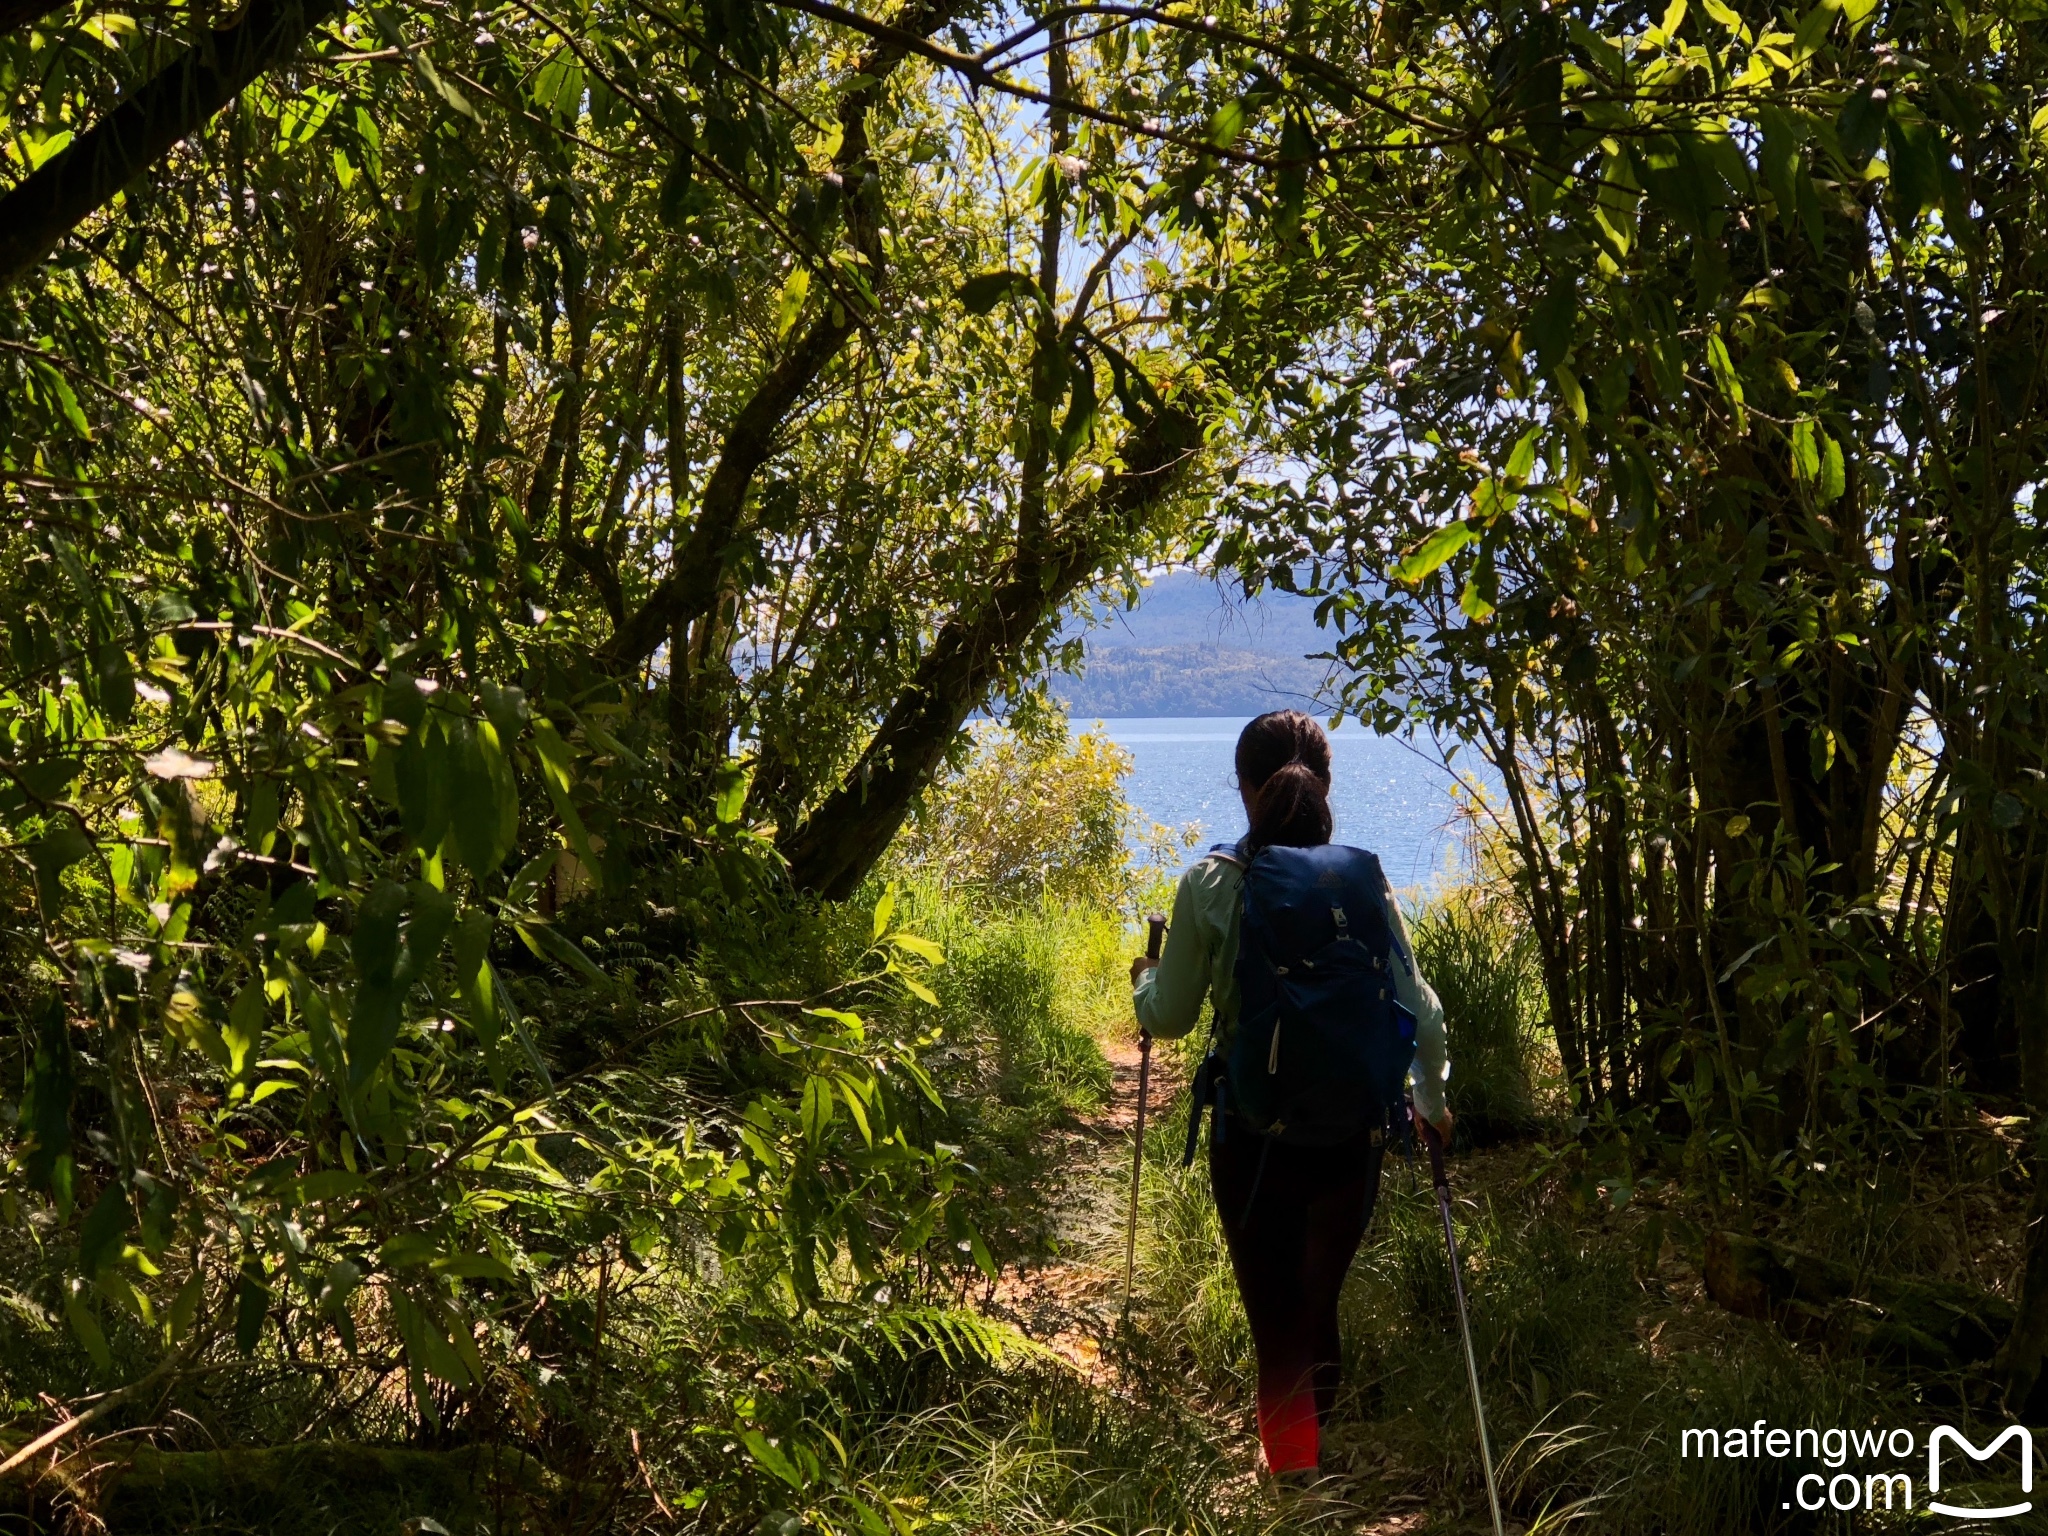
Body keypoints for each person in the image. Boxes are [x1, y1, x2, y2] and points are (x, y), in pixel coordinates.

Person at [1131, 709, 1451, 1483]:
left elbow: (1169, 1018)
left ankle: (1293, 1487)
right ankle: (1312, 1457)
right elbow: (1426, 1012)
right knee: (1318, 1305)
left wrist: (1144, 983)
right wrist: (1433, 1106)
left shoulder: (1213, 881)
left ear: (1244, 788)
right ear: (1326, 783)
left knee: (1277, 1322)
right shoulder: (1363, 877)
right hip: (1353, 1137)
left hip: (1255, 1138)